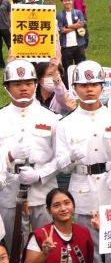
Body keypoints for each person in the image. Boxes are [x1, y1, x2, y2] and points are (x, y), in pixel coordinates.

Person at [54, 62, 111, 263]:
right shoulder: (65, 123)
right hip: (82, 183)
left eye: (94, 83)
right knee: (89, 242)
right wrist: (72, 156)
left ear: (103, 86)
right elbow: (62, 166)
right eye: (83, 85)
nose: (89, 89)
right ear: (74, 88)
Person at [0, 60, 59, 251]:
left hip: (43, 190)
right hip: (10, 190)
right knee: (14, 248)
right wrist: (8, 155)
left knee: (48, 245)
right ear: (7, 87)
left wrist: (40, 174)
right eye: (17, 84)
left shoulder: (51, 117)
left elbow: (62, 158)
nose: (23, 88)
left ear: (36, 84)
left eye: (28, 83)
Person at [57, 0, 88, 70]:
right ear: (62, 2)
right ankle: (68, 82)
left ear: (72, 1)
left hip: (79, 44)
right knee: (67, 68)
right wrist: (75, 26)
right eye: (65, 1)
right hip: (66, 46)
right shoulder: (59, 15)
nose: (67, 2)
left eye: (69, 0)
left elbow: (82, 24)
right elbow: (61, 30)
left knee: (81, 67)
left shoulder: (78, 12)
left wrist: (67, 26)